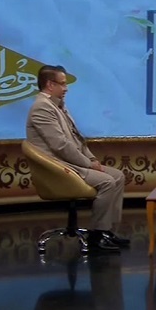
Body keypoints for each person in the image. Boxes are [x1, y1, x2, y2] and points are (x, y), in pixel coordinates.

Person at [26, 64, 129, 253]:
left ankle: (107, 231)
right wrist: (88, 164)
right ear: (50, 85)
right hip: (60, 167)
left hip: (73, 163)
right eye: (62, 84)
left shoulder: (57, 105)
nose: (66, 88)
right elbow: (60, 146)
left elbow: (76, 139)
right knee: (107, 182)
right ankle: (96, 237)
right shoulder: (41, 108)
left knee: (118, 176)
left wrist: (92, 159)